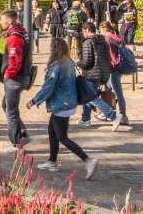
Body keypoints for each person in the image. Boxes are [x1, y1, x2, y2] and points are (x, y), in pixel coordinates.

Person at [27, 38, 100, 179]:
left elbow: (48, 87)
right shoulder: (68, 62)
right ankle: (52, 161)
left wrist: (33, 101)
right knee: (52, 131)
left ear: (54, 49)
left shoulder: (57, 65)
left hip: (61, 104)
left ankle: (88, 160)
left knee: (62, 137)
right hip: (68, 102)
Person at [0, 10, 31, 152]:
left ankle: (16, 144)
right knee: (6, 104)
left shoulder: (14, 38)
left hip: (14, 78)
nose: (0, 23)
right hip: (21, 76)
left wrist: (8, 74)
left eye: (2, 20)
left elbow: (14, 60)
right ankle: (22, 133)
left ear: (10, 21)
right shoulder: (22, 32)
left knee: (10, 111)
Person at [77, 21, 117, 126]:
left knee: (91, 97)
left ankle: (111, 114)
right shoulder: (103, 41)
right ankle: (85, 119)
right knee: (87, 95)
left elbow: (87, 61)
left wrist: (78, 63)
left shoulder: (87, 42)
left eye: (83, 31)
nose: (83, 33)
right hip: (102, 73)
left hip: (91, 74)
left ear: (86, 30)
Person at [101, 21, 130, 128]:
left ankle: (123, 116)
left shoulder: (108, 38)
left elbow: (110, 55)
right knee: (107, 89)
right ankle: (106, 112)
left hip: (113, 68)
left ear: (104, 29)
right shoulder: (116, 37)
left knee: (118, 93)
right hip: (118, 67)